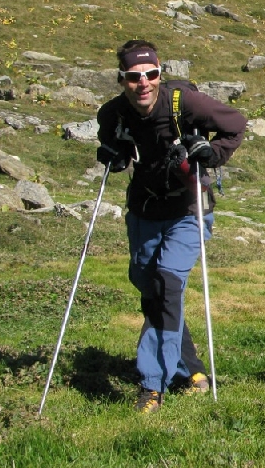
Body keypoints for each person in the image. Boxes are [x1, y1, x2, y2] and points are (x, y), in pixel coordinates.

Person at [96, 39, 246, 412]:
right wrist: (113, 155)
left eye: (151, 74)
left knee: (167, 282)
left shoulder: (184, 103)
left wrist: (213, 153)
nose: (143, 83)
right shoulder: (113, 113)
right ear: (122, 79)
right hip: (145, 211)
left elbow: (236, 125)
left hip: (188, 209)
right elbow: (112, 141)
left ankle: (152, 385)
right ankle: (192, 371)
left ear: (160, 73)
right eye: (134, 76)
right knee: (152, 292)